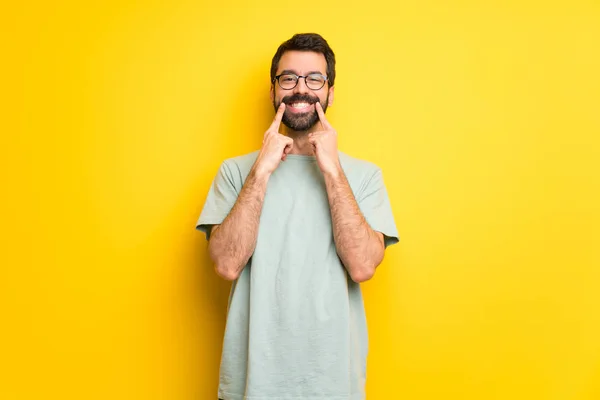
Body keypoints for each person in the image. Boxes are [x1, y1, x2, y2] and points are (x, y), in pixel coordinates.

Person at [196, 33, 399, 400]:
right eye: (288, 78)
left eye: (314, 79)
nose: (300, 89)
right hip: (250, 387)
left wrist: (333, 171)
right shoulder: (235, 172)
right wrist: (262, 170)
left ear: (330, 92)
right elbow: (226, 264)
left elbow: (362, 267)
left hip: (332, 386)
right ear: (274, 90)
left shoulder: (364, 176)